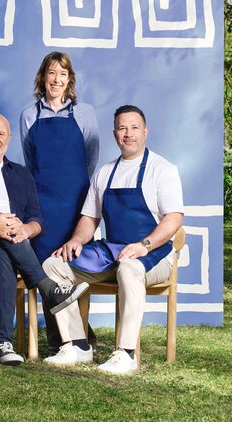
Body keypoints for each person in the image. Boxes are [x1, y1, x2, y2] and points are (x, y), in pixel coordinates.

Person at [43, 105, 184, 375]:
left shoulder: (162, 169)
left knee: (130, 267)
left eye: (134, 128)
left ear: (145, 132)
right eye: (122, 128)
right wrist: (76, 240)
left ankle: (126, 353)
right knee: (53, 265)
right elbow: (89, 218)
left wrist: (144, 246)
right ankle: (77, 345)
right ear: (114, 133)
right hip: (113, 252)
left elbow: (173, 220)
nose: (128, 134)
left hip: (154, 254)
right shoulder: (105, 172)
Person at [0, 113, 89, 366]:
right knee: (2, 229)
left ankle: (3, 344)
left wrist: (25, 230)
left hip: (8, 249)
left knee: (2, 252)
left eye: (0, 134)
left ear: (9, 139)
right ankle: (47, 288)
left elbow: (36, 218)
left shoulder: (21, 173)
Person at [19, 51, 99, 354]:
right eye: (51, 73)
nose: (56, 79)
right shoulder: (29, 114)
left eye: (62, 74)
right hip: (42, 202)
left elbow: (91, 157)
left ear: (70, 79)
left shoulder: (85, 112)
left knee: (72, 264)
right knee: (46, 267)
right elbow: (30, 159)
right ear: (43, 77)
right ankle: (64, 337)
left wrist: (79, 193)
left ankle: (75, 335)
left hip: (76, 202)